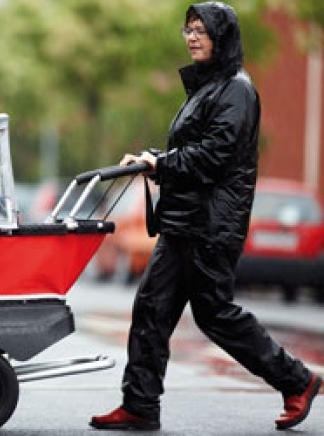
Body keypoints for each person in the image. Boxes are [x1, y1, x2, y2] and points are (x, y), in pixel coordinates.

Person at [90, 2, 321, 432]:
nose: (193, 36)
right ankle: (140, 404)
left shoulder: (236, 89)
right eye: (188, 29)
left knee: (214, 313)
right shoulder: (207, 88)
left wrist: (162, 164)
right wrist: (155, 159)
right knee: (151, 309)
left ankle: (298, 380)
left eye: (202, 30)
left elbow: (216, 155)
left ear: (223, 36)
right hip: (184, 222)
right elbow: (196, 149)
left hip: (212, 225)